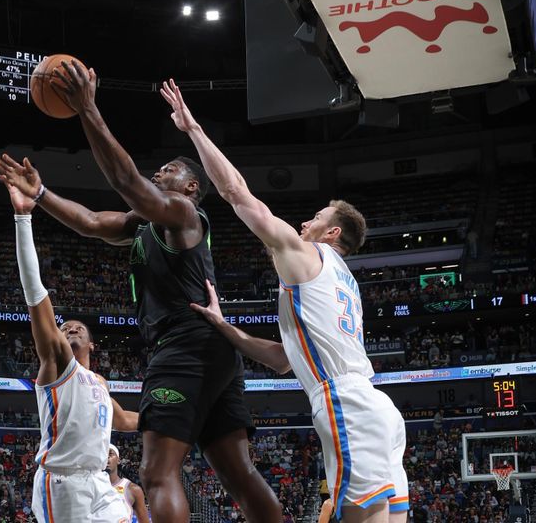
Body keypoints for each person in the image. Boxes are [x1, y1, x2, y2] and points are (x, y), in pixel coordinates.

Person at [0, 61, 282, 523]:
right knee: (238, 472)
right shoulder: (142, 226)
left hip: (183, 347)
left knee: (156, 474)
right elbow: (90, 222)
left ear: (190, 187)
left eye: (167, 170)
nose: (158, 172)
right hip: (215, 353)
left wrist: (88, 108)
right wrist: (41, 193)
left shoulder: (185, 215)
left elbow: (127, 182)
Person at [160, 79, 409, 523]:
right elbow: (283, 359)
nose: (304, 222)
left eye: (316, 218)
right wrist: (224, 326)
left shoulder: (308, 254)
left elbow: (238, 196)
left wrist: (193, 129)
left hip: (345, 402)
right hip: (379, 409)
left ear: (333, 233)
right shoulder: (345, 282)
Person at [2, 174, 137, 522]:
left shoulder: (100, 383)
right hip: (61, 482)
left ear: (92, 343)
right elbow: (35, 292)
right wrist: (23, 218)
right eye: (65, 327)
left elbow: (124, 421)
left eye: (79, 328)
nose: (71, 327)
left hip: (98, 481)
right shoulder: (58, 362)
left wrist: (185, 418)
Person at [107, 444, 149, 523]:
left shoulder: (133, 489)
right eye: (103, 454)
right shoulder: (89, 487)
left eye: (110, 454)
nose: (106, 457)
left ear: (119, 460)